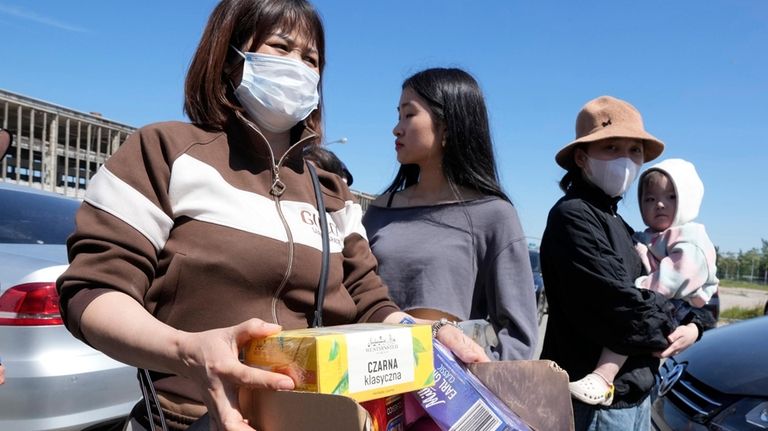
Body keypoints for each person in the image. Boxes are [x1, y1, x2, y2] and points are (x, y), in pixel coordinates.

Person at [56, 2, 487, 430]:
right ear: (230, 60)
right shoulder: (164, 152)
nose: (299, 67)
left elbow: (369, 301)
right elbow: (93, 290)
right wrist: (188, 351)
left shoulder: (333, 194)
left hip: (314, 420)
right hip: (186, 420)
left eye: (311, 59)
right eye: (281, 48)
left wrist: (426, 336)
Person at [540, 95, 715, 430]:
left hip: (636, 395)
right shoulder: (574, 215)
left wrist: (694, 327)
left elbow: (694, 295)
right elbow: (624, 309)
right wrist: (671, 317)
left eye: (635, 150)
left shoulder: (622, 224)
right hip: (595, 406)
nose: (626, 159)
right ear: (582, 156)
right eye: (611, 148)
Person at [362, 68, 539, 361]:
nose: (397, 128)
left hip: (448, 396)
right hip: (370, 384)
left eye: (409, 115)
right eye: (398, 115)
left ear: (446, 126)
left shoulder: (494, 215)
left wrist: (476, 384)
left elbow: (519, 337)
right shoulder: (380, 210)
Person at [568, 158, 719, 406]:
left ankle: (603, 378)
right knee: (634, 320)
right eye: (649, 199)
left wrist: (641, 287)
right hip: (663, 302)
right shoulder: (650, 235)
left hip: (680, 303)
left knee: (631, 324)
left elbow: (679, 275)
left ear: (687, 200)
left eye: (671, 197)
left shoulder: (691, 236)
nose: (659, 204)